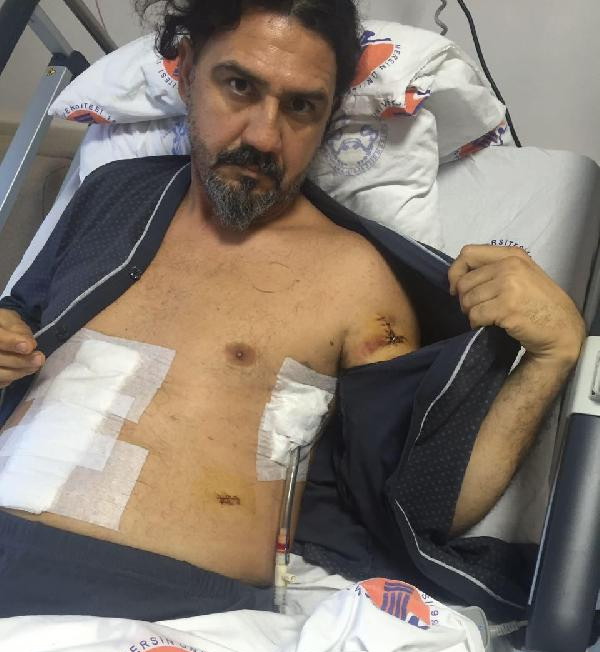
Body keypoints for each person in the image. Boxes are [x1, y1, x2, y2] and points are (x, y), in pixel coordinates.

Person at [0, 0, 585, 619]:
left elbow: (423, 498)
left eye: (301, 106)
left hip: (169, 619)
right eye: (239, 86)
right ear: (187, 72)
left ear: (330, 116)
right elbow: (25, 319)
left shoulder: (352, 275)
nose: (263, 137)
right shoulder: (113, 193)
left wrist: (552, 354)